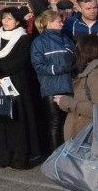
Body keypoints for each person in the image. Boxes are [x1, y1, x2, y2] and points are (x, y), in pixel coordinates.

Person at [0, 7, 41, 170]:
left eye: (10, 18)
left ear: (18, 21)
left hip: (15, 83)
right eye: (4, 18)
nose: (6, 21)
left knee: (16, 120)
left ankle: (19, 158)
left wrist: (0, 72)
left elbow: (20, 60)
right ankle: (3, 156)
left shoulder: (23, 38)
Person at [31, 9, 76, 150]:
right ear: (49, 23)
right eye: (59, 21)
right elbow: (38, 66)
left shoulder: (67, 39)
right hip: (51, 88)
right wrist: (58, 69)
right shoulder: (38, 42)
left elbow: (75, 59)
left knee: (70, 122)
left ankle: (69, 152)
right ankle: (55, 154)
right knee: (55, 122)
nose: (62, 24)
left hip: (69, 85)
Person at [55, 35, 98, 140]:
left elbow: (96, 110)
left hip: (89, 143)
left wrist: (66, 102)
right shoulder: (90, 71)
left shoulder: (94, 74)